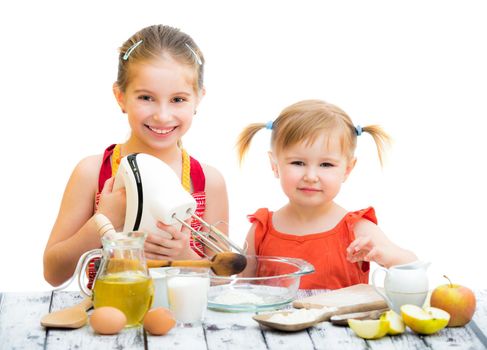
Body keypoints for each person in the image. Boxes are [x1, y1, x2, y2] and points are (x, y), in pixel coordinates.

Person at [43, 24, 228, 287]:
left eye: (178, 100)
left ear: (198, 98)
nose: (162, 115)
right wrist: (103, 222)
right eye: (146, 97)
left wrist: (183, 254)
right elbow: (53, 272)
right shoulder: (92, 173)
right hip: (111, 322)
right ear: (120, 96)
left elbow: (222, 280)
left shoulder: (209, 181)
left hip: (185, 327)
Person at [236, 99, 417, 289]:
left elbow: (412, 266)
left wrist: (383, 256)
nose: (311, 176)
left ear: (347, 169)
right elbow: (243, 294)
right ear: (275, 165)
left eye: (326, 165)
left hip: (341, 320)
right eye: (298, 163)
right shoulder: (261, 231)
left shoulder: (357, 229)